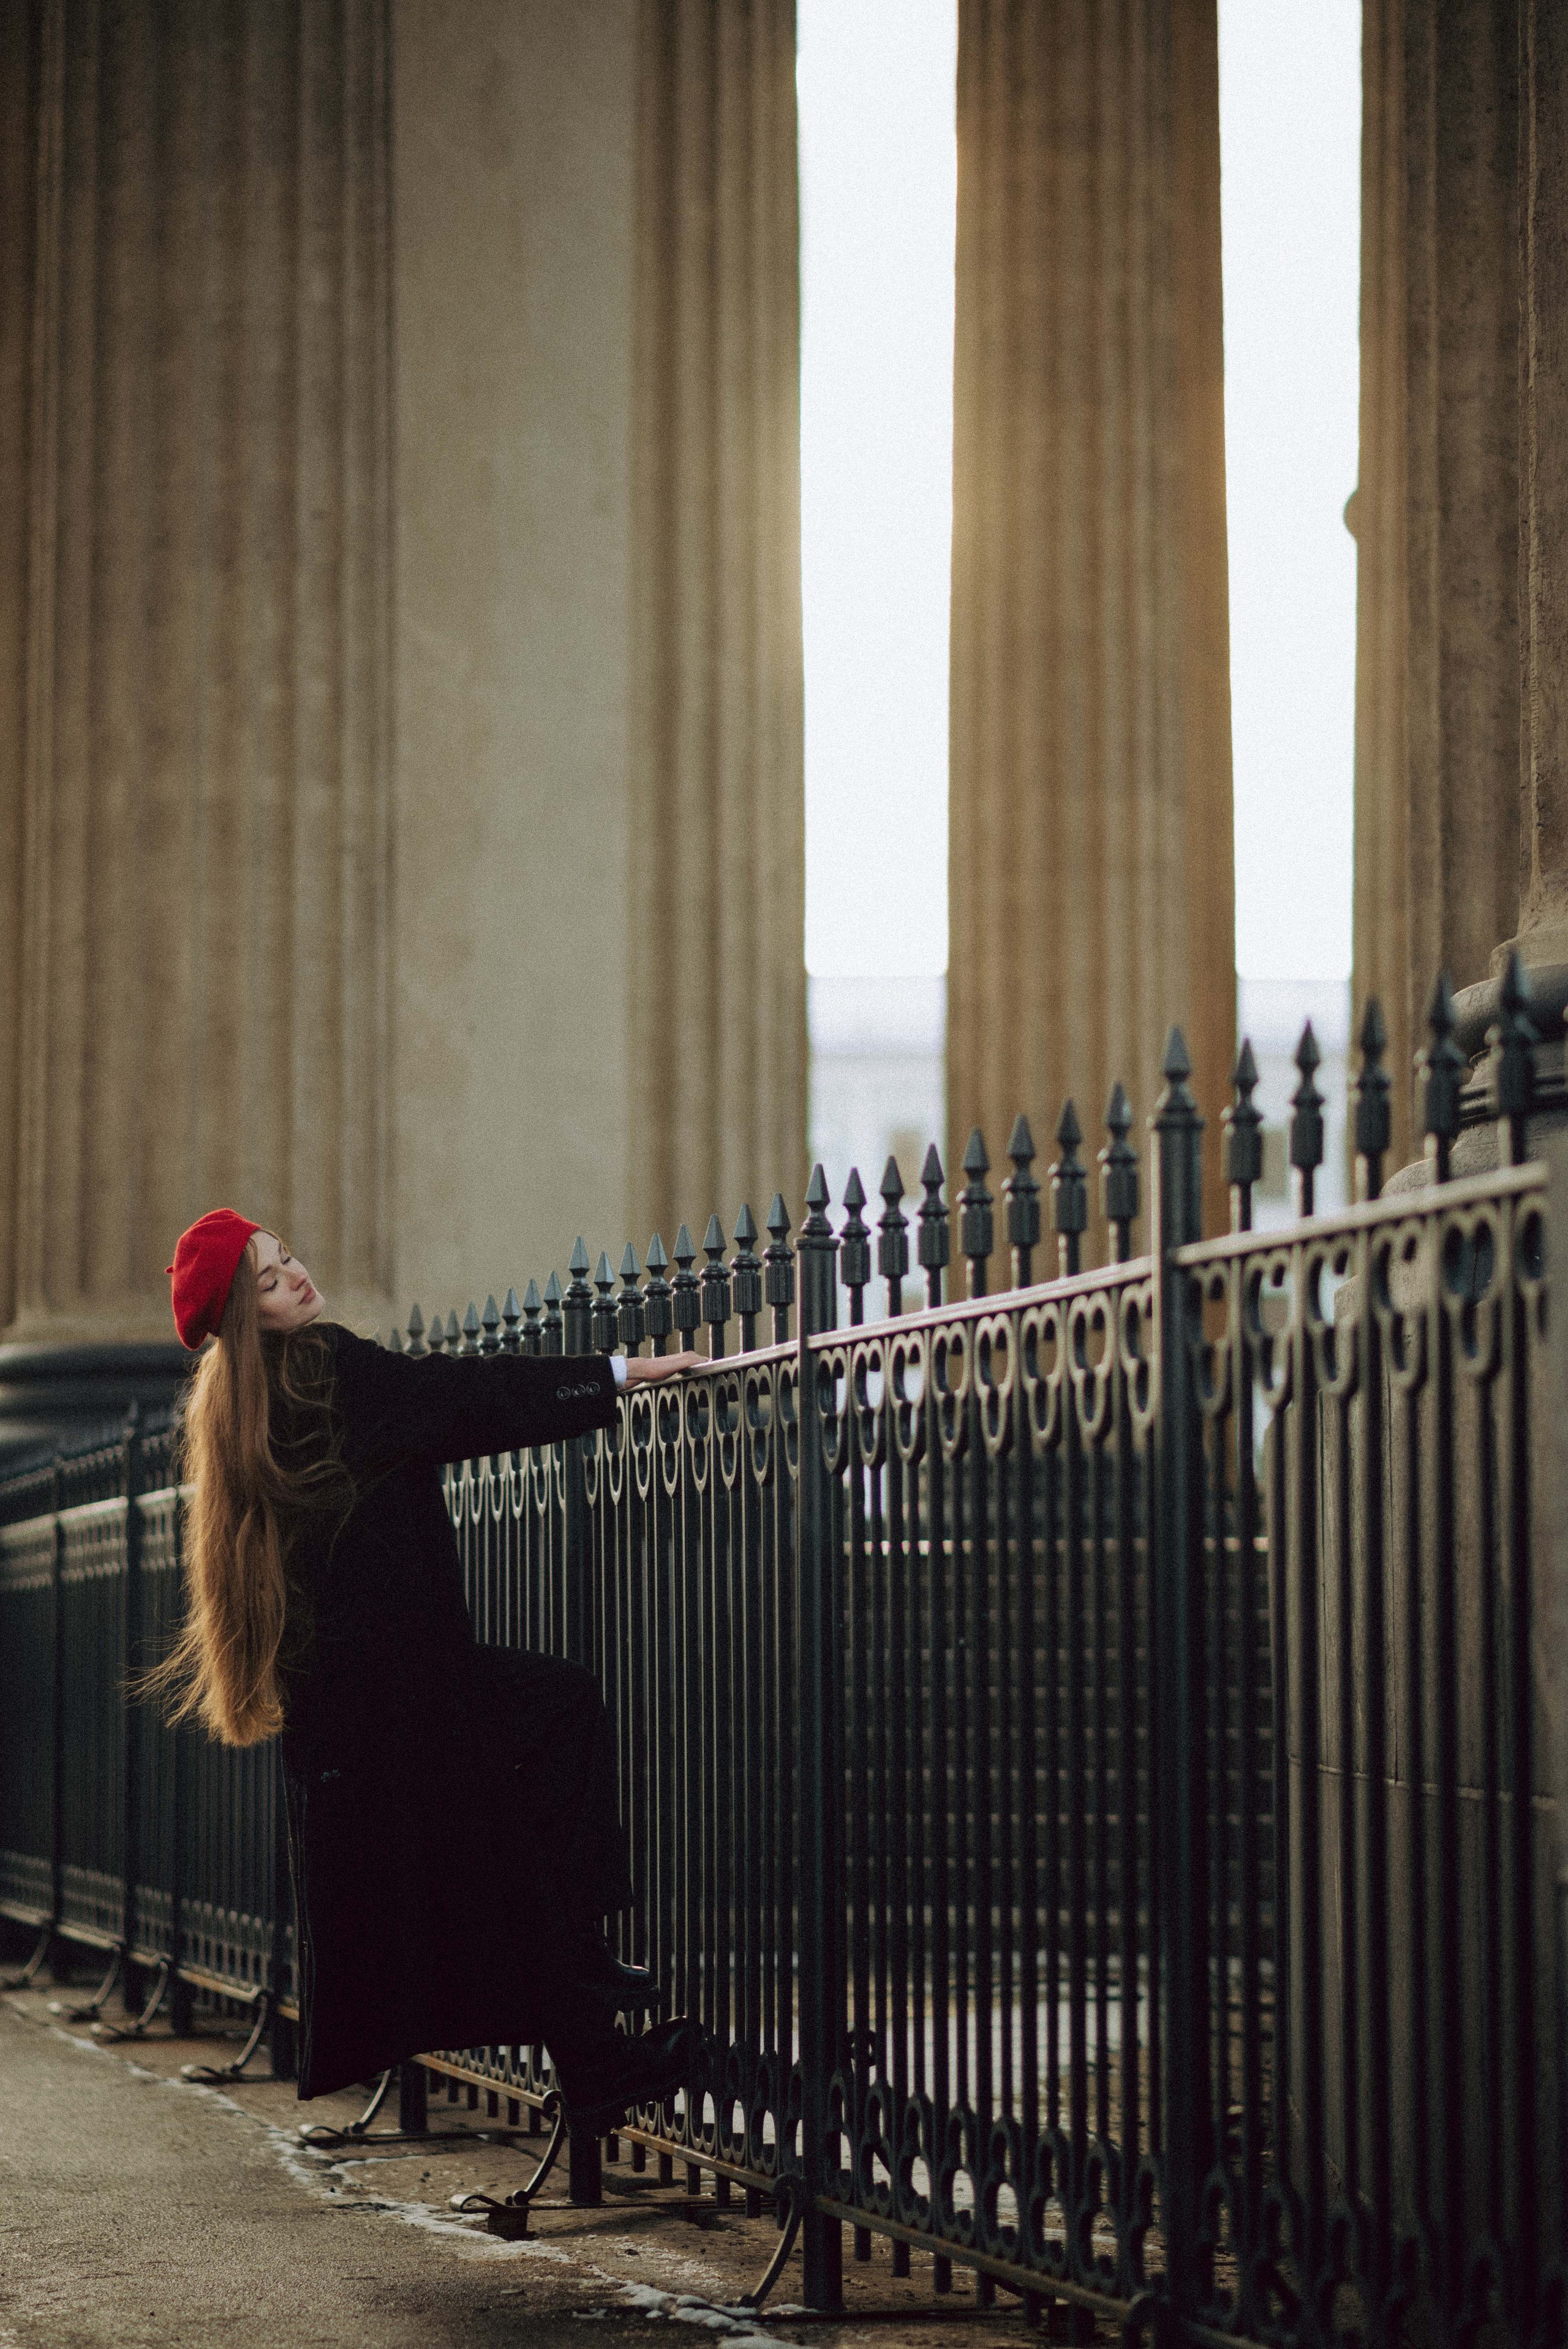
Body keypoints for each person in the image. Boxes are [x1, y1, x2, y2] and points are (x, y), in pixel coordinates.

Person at [151, 1207, 704, 2132]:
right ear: (247, 1316)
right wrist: (614, 1375)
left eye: (288, 1257)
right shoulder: (330, 1371)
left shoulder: (239, 1411)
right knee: (557, 1721)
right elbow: (462, 1396)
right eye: (270, 1278)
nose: (297, 1275)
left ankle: (598, 2051)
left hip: (353, 1711)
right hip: (412, 1692)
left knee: (504, 1853)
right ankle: (589, 1965)